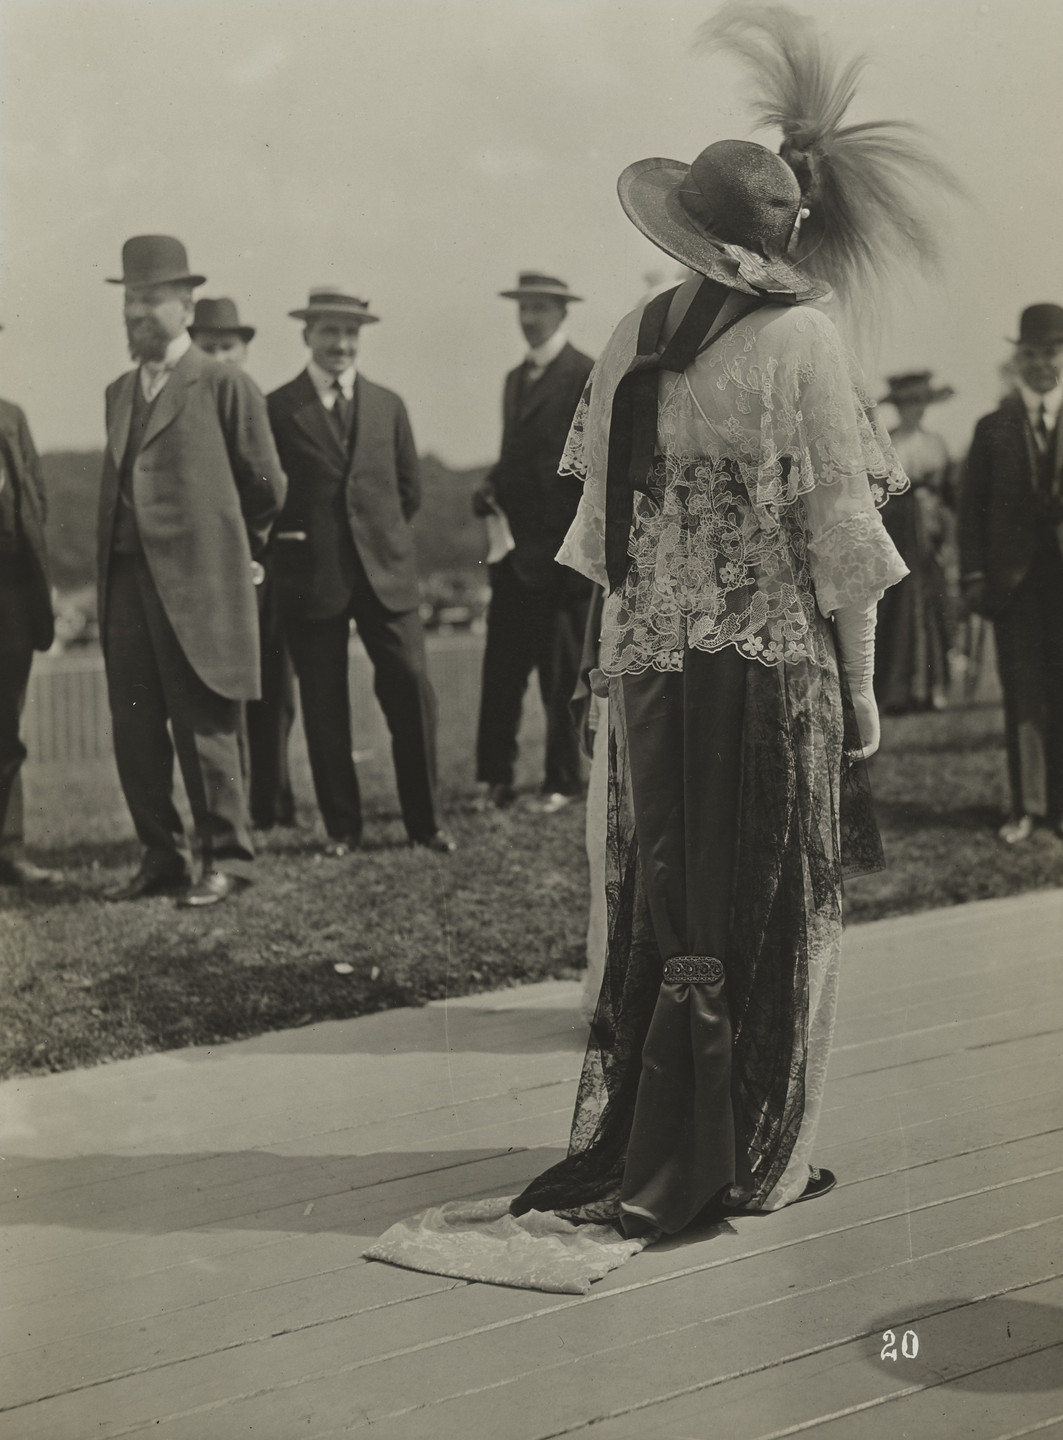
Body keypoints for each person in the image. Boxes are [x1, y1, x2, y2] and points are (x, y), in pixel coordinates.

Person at [366, 4, 952, 1291]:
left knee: (665, 899)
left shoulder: (634, 335)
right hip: (763, 665)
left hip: (647, 670)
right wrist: (860, 697)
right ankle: (746, 1145)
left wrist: (621, 657)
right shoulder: (800, 338)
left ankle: (657, 1126)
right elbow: (845, 547)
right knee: (769, 900)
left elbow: (597, 539)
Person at [99, 235, 287, 906]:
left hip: (200, 585)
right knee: (135, 726)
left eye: (149, 299)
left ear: (186, 305)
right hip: (125, 584)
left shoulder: (222, 382)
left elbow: (266, 486)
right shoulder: (119, 391)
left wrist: (230, 555)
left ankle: (228, 859)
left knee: (206, 722)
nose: (135, 312)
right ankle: (162, 858)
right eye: (129, 299)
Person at [268, 286, 454, 855]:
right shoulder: (276, 407)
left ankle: (425, 825)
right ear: (307, 335)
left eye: (351, 333)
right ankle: (342, 829)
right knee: (325, 707)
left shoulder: (387, 404)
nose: (341, 343)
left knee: (411, 692)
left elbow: (408, 490)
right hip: (312, 579)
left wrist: (380, 542)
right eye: (329, 331)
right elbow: (265, 491)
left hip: (386, 575)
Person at [472, 274, 594, 812]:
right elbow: (514, 456)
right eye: (523, 307)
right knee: (501, 673)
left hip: (561, 558)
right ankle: (495, 779)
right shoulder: (513, 378)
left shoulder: (583, 374)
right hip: (514, 557)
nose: (529, 318)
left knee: (560, 675)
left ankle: (562, 780)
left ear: (562, 313)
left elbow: (589, 469)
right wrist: (490, 487)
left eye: (540, 308)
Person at [190, 297, 297, 831]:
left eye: (228, 347)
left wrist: (254, 551)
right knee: (222, 694)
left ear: (245, 350)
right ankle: (237, 807)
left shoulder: (256, 400)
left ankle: (273, 804)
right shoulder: (189, 408)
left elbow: (273, 489)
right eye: (208, 349)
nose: (220, 358)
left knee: (274, 690)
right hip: (211, 571)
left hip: (264, 564)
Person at [959, 303, 1063, 844]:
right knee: (1023, 694)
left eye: (1052, 353)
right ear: (1017, 359)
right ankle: (1027, 807)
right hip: (1015, 587)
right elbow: (969, 508)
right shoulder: (992, 428)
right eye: (1032, 354)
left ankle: (1060, 811)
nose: (1043, 364)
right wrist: (974, 577)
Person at [0, 382, 61, 887]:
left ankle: (8, 849)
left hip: (9, 604)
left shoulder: (11, 417)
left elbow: (34, 500)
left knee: (4, 731)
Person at [875, 371, 956, 714]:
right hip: (897, 528)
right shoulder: (886, 443)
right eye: (909, 404)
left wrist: (947, 534)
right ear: (898, 408)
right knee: (898, 604)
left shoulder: (936, 442)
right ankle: (897, 690)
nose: (916, 410)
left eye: (920, 403)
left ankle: (934, 688)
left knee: (933, 603)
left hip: (931, 528)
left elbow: (950, 494)